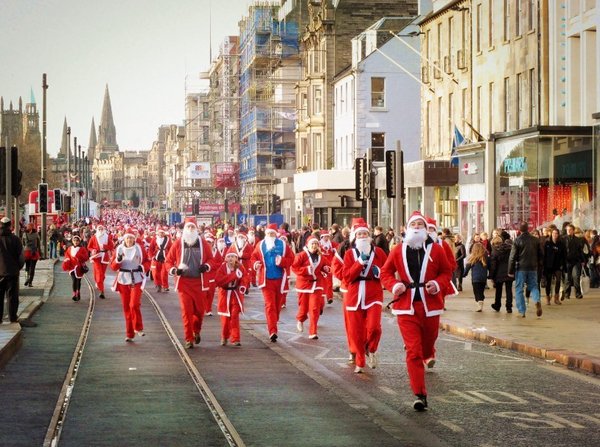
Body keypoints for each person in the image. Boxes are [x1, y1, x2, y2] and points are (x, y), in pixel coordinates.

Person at [380, 211, 452, 411]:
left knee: (428, 345)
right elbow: (385, 272)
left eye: (421, 224)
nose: (418, 227)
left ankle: (429, 353)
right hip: (406, 306)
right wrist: (394, 285)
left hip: (430, 306)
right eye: (415, 224)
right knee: (413, 351)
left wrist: (437, 284)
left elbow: (447, 272)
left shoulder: (437, 250)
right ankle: (420, 393)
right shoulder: (397, 250)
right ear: (408, 228)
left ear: (425, 229)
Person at [342, 219, 387, 373]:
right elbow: (346, 277)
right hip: (354, 294)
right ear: (355, 237)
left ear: (369, 237)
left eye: (365, 234)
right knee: (356, 331)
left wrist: (379, 272)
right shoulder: (350, 254)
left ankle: (371, 348)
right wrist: (359, 262)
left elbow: (387, 272)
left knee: (374, 327)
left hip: (373, 292)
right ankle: (360, 360)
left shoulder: (379, 252)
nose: (362, 236)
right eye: (359, 234)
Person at [165, 217, 216, 349]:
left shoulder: (203, 243)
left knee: (199, 311)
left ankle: (196, 331)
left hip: (199, 282)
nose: (191, 229)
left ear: (196, 229)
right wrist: (174, 270)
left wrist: (206, 266)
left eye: (193, 227)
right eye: (188, 227)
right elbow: (168, 261)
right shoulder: (178, 243)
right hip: (184, 283)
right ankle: (188, 339)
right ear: (185, 229)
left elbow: (211, 259)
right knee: (186, 311)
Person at [250, 223, 294, 342]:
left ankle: (274, 322)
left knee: (277, 306)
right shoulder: (260, 245)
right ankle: (272, 330)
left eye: (272, 233)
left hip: (280, 279)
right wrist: (256, 264)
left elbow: (291, 259)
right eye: (268, 233)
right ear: (266, 234)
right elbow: (253, 258)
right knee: (270, 305)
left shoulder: (283, 245)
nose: (270, 235)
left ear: (276, 234)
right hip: (266, 280)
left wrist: (282, 261)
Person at [110, 230, 150, 342]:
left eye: (131, 238)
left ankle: (138, 327)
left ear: (134, 238)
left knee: (134, 304)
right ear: (124, 239)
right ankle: (129, 333)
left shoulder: (140, 248)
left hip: (136, 278)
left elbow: (147, 261)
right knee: (126, 307)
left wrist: (143, 268)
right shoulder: (119, 249)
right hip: (123, 279)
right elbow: (113, 267)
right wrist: (117, 260)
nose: (129, 240)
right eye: (127, 238)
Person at [292, 235, 330, 340]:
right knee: (303, 308)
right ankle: (300, 319)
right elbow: (294, 268)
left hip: (317, 285)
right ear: (308, 245)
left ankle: (313, 332)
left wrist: (326, 268)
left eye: (316, 244)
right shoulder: (301, 255)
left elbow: (327, 266)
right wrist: (306, 270)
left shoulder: (321, 256)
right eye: (312, 244)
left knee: (314, 308)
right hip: (304, 285)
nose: (314, 246)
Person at [508, 222, 544, 318]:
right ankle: (537, 300)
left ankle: (522, 311)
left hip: (521, 268)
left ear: (520, 230)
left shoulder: (517, 240)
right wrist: (539, 265)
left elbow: (512, 257)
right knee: (534, 286)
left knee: (519, 289)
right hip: (533, 267)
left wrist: (510, 271)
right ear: (528, 229)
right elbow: (541, 255)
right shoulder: (536, 240)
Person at [215, 252, 248, 346]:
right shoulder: (222, 268)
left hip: (235, 295)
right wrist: (233, 276)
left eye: (233, 257)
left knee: (234, 317)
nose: (230, 258)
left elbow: (245, 278)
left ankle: (236, 339)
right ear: (226, 258)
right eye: (229, 256)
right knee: (225, 319)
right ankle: (224, 336)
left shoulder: (240, 267)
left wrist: (243, 286)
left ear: (236, 258)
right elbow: (219, 281)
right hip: (224, 295)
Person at [0, 217, 26, 325]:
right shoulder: (15, 239)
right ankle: (13, 318)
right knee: (12, 297)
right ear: (10, 225)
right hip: (12, 272)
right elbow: (21, 257)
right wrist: (17, 268)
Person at [87, 224, 115, 299]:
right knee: (99, 273)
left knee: (102, 274)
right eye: (99, 228)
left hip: (104, 257)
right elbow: (89, 247)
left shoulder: (107, 237)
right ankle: (102, 291)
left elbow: (112, 246)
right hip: (96, 257)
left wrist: (105, 246)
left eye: (101, 228)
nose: (100, 230)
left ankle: (99, 283)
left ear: (104, 229)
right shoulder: (94, 237)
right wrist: (93, 250)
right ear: (97, 229)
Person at [489, 232, 514, 313]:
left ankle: (497, 305)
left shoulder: (495, 252)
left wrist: (491, 276)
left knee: (498, 290)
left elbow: (493, 265)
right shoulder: (509, 249)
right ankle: (509, 307)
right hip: (509, 272)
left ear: (493, 244)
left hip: (499, 274)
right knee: (509, 290)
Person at [561, 224, 586, 300]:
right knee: (567, 278)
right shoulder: (563, 239)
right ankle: (566, 294)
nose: (568, 231)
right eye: (567, 230)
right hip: (566, 261)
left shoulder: (578, 240)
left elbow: (580, 251)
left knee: (576, 277)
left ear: (573, 230)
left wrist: (582, 260)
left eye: (570, 230)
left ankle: (578, 294)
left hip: (576, 261)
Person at [62, 234, 89, 302]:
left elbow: (86, 257)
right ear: (72, 241)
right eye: (74, 240)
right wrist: (67, 260)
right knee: (74, 280)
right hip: (72, 267)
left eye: (77, 241)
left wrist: (79, 256)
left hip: (79, 267)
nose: (76, 242)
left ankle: (78, 292)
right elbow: (67, 256)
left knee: (78, 281)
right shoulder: (69, 248)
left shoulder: (82, 249)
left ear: (79, 241)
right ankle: (74, 294)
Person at [464, 242, 489, 312]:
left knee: (476, 291)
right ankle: (481, 300)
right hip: (483, 278)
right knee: (481, 291)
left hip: (475, 278)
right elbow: (490, 266)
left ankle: (479, 302)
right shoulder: (485, 257)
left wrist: (464, 274)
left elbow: (467, 267)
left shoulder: (472, 257)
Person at [543, 228, 566, 305]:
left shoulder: (561, 244)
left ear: (558, 234)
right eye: (553, 233)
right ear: (551, 234)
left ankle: (556, 297)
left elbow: (564, 255)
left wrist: (563, 265)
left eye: (556, 233)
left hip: (558, 265)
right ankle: (547, 298)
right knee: (548, 282)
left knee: (558, 280)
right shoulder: (547, 243)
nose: (555, 235)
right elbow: (544, 255)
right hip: (549, 266)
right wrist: (544, 265)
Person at [148, 227, 172, 293]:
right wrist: (151, 256)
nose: (161, 234)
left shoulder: (168, 239)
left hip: (165, 258)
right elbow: (151, 248)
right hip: (156, 258)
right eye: (160, 233)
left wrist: (170, 257)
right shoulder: (154, 239)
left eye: (162, 233)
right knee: (155, 273)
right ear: (158, 233)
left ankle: (165, 286)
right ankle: (158, 285)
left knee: (164, 273)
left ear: (164, 233)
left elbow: (171, 249)